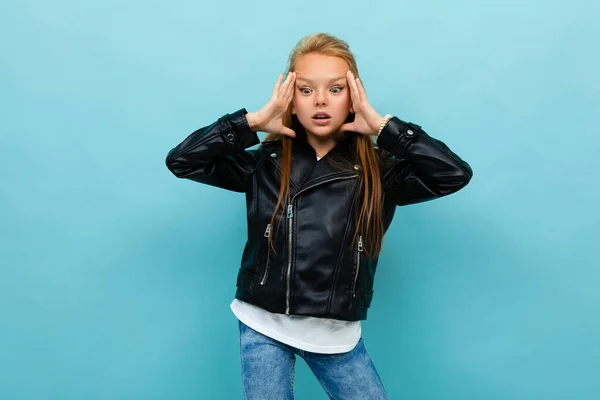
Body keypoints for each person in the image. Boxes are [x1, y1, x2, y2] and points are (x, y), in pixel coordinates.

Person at [165, 32, 473, 400]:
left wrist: (383, 128)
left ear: (354, 97)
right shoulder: (267, 162)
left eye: (336, 89)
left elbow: (454, 173)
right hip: (263, 322)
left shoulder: (379, 170)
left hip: (335, 333)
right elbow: (181, 160)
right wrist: (252, 123)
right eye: (307, 90)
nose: (321, 100)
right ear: (291, 98)